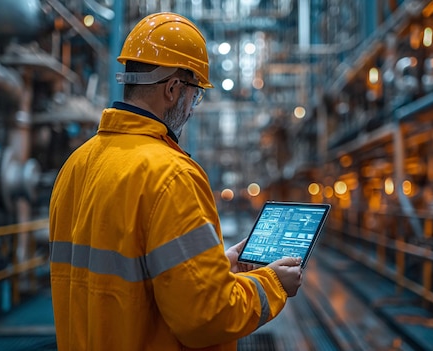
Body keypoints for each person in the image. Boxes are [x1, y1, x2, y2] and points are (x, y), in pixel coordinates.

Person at [49, 12, 303, 351]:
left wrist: (220, 263)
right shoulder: (172, 175)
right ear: (172, 89)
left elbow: (137, 271)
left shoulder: (76, 165)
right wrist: (274, 283)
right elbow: (207, 315)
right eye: (194, 95)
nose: (193, 108)